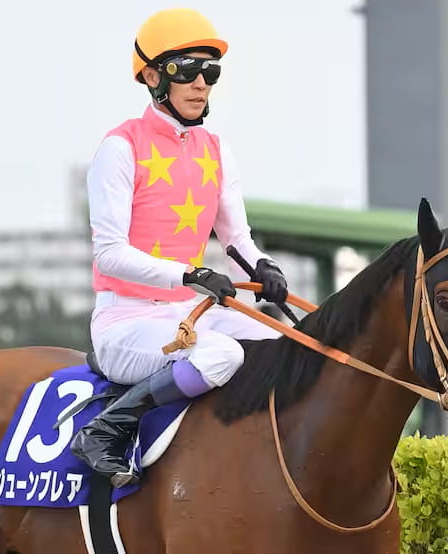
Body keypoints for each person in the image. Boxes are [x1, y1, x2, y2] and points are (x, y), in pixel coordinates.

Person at [70, 7, 288, 488]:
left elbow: (237, 240)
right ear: (152, 76)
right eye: (187, 70)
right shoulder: (119, 148)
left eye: (210, 71)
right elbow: (109, 254)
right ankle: (107, 429)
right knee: (223, 356)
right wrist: (190, 275)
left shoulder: (216, 149)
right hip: (125, 322)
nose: (201, 83)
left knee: (288, 345)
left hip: (190, 315)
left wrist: (264, 267)